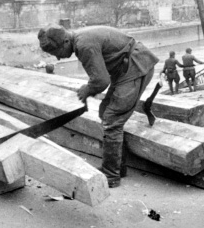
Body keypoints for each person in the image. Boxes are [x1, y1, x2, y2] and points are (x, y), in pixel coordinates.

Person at [37, 25, 158, 188]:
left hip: (135, 67)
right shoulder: (80, 40)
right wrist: (90, 88)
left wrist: (87, 90)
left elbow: (101, 81)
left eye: (56, 52)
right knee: (105, 112)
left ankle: (111, 175)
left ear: (65, 41)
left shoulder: (83, 45)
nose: (58, 59)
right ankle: (117, 167)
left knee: (112, 120)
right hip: (125, 68)